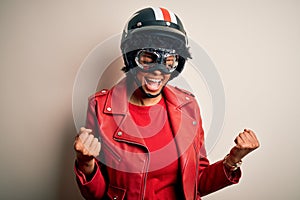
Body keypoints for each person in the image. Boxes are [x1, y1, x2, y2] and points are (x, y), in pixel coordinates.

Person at [73, 7, 260, 200]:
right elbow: (97, 195)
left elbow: (197, 183)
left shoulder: (188, 107)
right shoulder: (101, 108)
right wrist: (86, 163)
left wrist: (233, 159)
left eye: (169, 61)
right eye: (148, 58)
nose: (158, 71)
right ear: (131, 57)